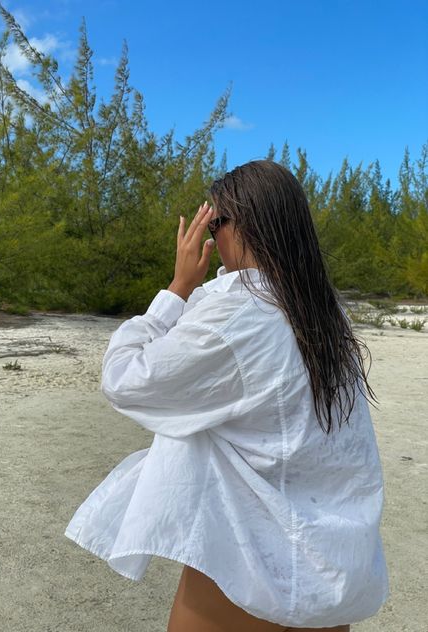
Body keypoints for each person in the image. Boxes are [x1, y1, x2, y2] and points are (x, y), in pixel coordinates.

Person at [64, 160, 389, 631]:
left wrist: (177, 288)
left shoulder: (240, 310)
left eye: (214, 224)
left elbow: (126, 379)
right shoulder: (325, 311)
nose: (211, 240)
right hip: (333, 569)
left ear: (247, 225)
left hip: (248, 569)